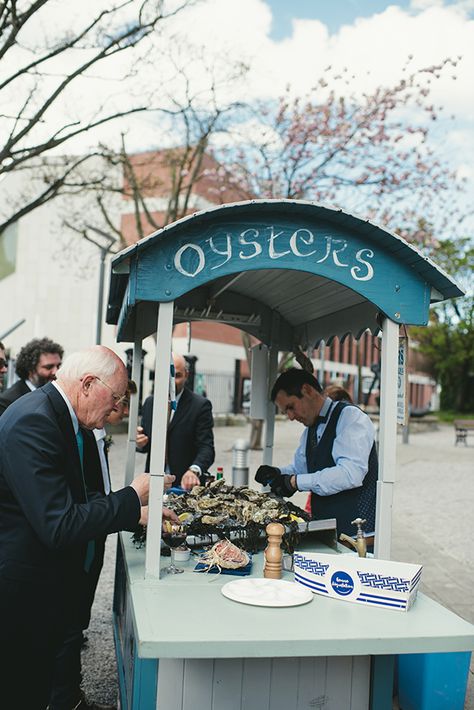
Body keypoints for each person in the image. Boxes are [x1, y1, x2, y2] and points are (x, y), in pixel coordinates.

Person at [0, 346, 172, 709]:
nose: (117, 411)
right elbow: (59, 524)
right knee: (24, 690)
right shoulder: (36, 421)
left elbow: (78, 497)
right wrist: (130, 497)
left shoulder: (57, 415)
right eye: (116, 399)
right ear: (89, 384)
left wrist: (133, 511)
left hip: (43, 584)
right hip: (24, 593)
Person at [255, 367, 378, 541]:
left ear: (307, 390)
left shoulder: (351, 418)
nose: (290, 416)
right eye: (285, 412)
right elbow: (301, 469)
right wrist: (277, 473)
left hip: (357, 536)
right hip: (326, 530)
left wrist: (295, 482)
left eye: (291, 407)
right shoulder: (309, 430)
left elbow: (351, 473)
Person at [136, 352, 215, 490]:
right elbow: (146, 445)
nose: (170, 381)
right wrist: (140, 443)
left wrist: (194, 470)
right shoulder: (149, 403)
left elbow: (206, 448)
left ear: (187, 375)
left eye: (176, 376)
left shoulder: (200, 405)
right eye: (166, 375)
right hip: (153, 483)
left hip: (185, 486)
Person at [0, 335, 63, 414]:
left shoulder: (56, 396)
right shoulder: (9, 401)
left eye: (58, 366)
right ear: (30, 369)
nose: (56, 372)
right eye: (49, 367)